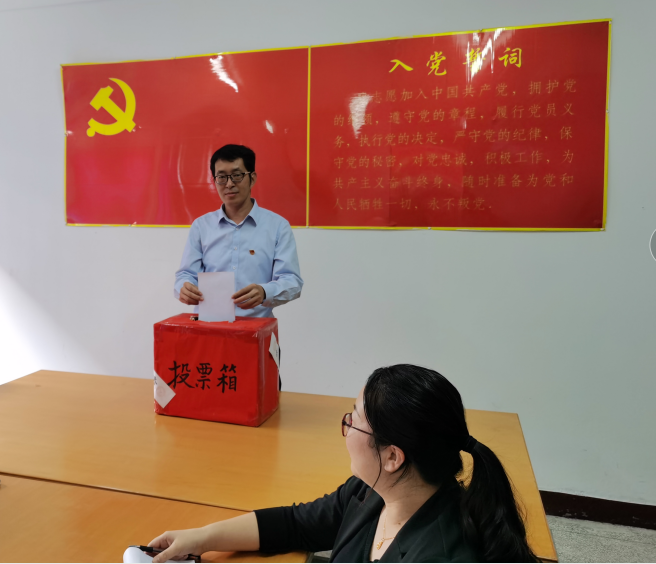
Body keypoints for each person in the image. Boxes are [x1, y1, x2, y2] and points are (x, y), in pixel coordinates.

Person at [148, 365, 537, 563]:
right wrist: (201, 538)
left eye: (354, 420)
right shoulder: (373, 493)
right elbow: (297, 524)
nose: (346, 427)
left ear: (392, 456)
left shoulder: (437, 553)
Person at [174, 144, 303, 318]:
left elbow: (292, 281)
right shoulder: (201, 226)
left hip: (257, 328)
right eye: (221, 177)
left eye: (236, 175)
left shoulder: (278, 226)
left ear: (252, 178)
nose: (229, 184)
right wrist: (184, 288)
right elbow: (185, 275)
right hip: (209, 326)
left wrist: (265, 292)